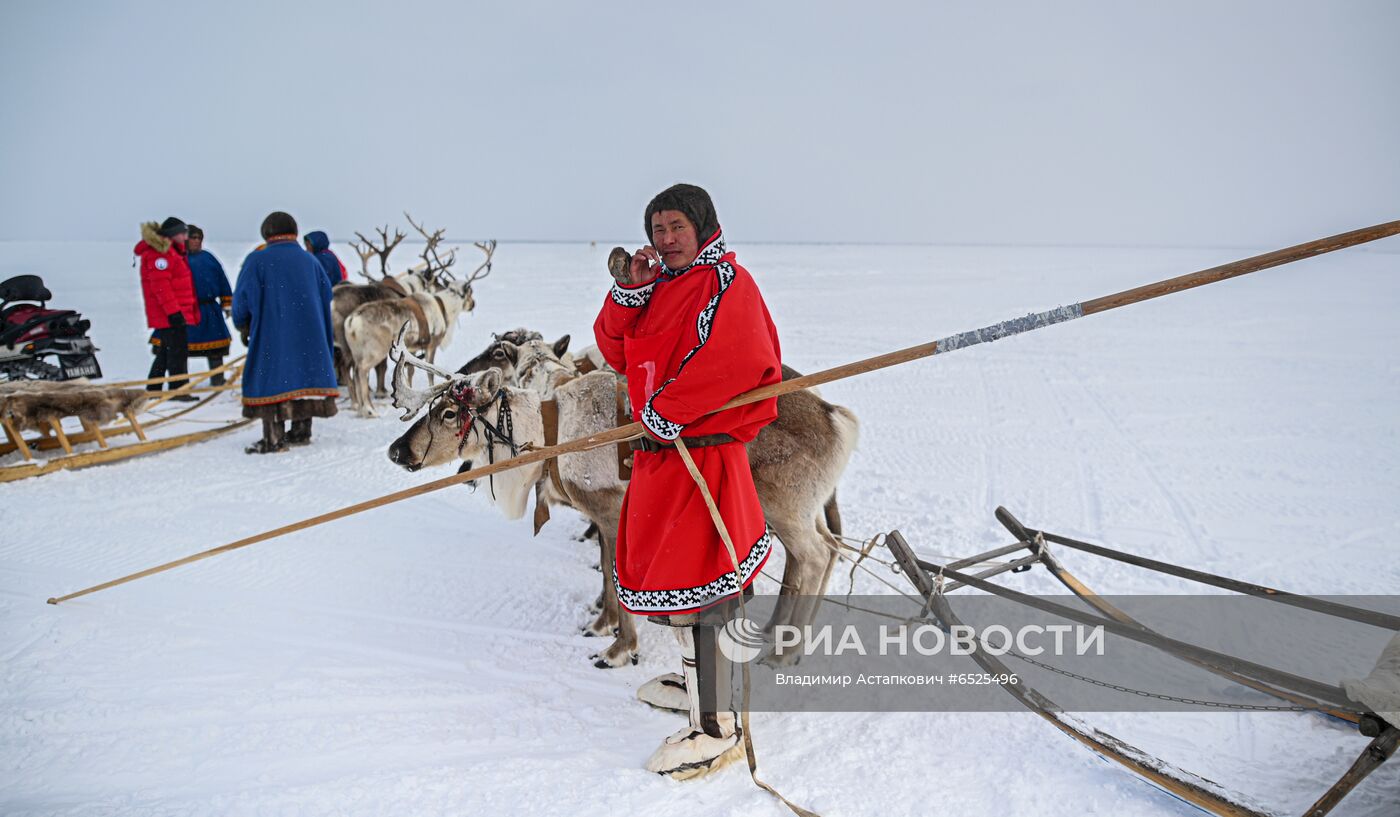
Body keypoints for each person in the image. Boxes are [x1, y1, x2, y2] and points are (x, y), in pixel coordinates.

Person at [592, 184, 782, 778]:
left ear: (702, 226)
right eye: (657, 229)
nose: (666, 239)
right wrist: (630, 291)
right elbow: (615, 351)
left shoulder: (729, 282)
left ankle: (716, 724)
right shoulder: (662, 287)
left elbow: (739, 357)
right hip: (661, 459)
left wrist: (670, 406)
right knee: (677, 580)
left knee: (708, 586)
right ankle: (699, 678)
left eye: (676, 226)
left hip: (703, 455)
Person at [231, 211, 339, 454]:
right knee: (304, 378)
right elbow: (327, 294)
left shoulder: (257, 260)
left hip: (272, 334)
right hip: (310, 335)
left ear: (267, 232)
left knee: (272, 379)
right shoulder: (310, 261)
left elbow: (242, 300)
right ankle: (301, 431)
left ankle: (273, 438)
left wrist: (243, 325)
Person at [135, 216, 200, 400]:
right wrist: (173, 312)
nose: (187, 236)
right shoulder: (160, 254)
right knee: (177, 352)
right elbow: (160, 287)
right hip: (170, 312)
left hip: (173, 311)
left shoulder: (171, 252)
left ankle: (154, 388)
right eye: (184, 232)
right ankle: (178, 390)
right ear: (174, 234)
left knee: (166, 351)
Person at [181, 225, 234, 385]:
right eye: (193, 237)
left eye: (199, 238)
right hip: (186, 311)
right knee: (181, 348)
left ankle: (218, 379)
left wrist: (227, 303)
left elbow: (222, 280)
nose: (196, 241)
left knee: (215, 349)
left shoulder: (209, 259)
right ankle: (181, 382)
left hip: (209, 310)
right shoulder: (178, 259)